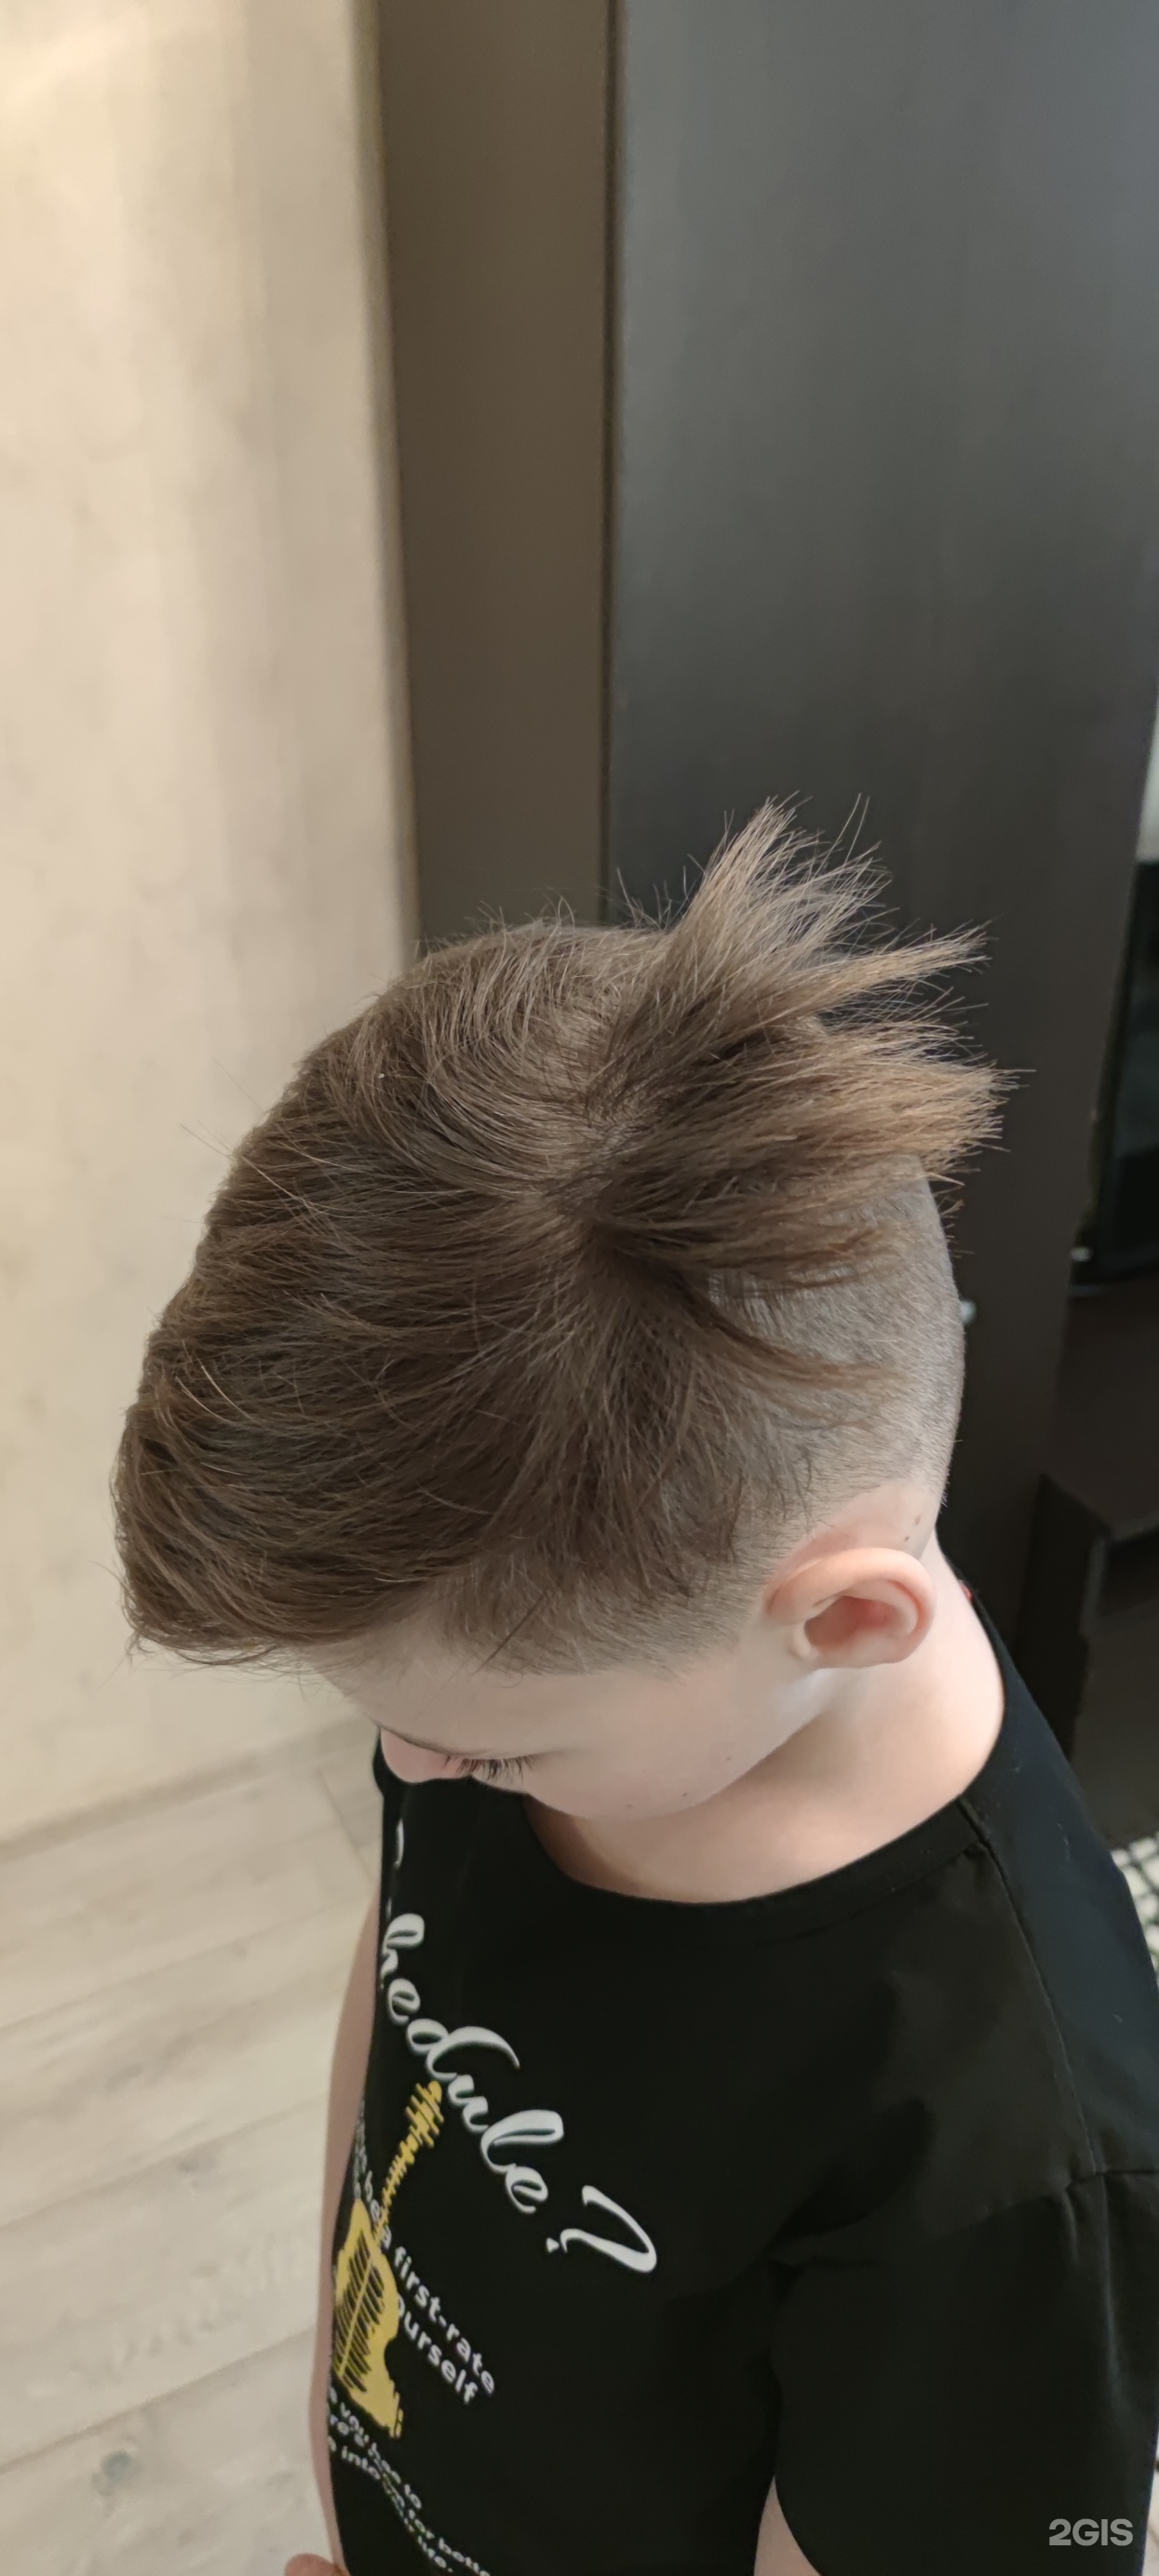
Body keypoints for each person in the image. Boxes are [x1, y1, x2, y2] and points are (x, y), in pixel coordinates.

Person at [113, 808, 1159, 2576]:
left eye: (491, 1749)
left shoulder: (1007, 2166)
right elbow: (409, 1994)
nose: (408, 1773)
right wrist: (336, 2415)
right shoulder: (496, 1703)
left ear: (841, 1621)